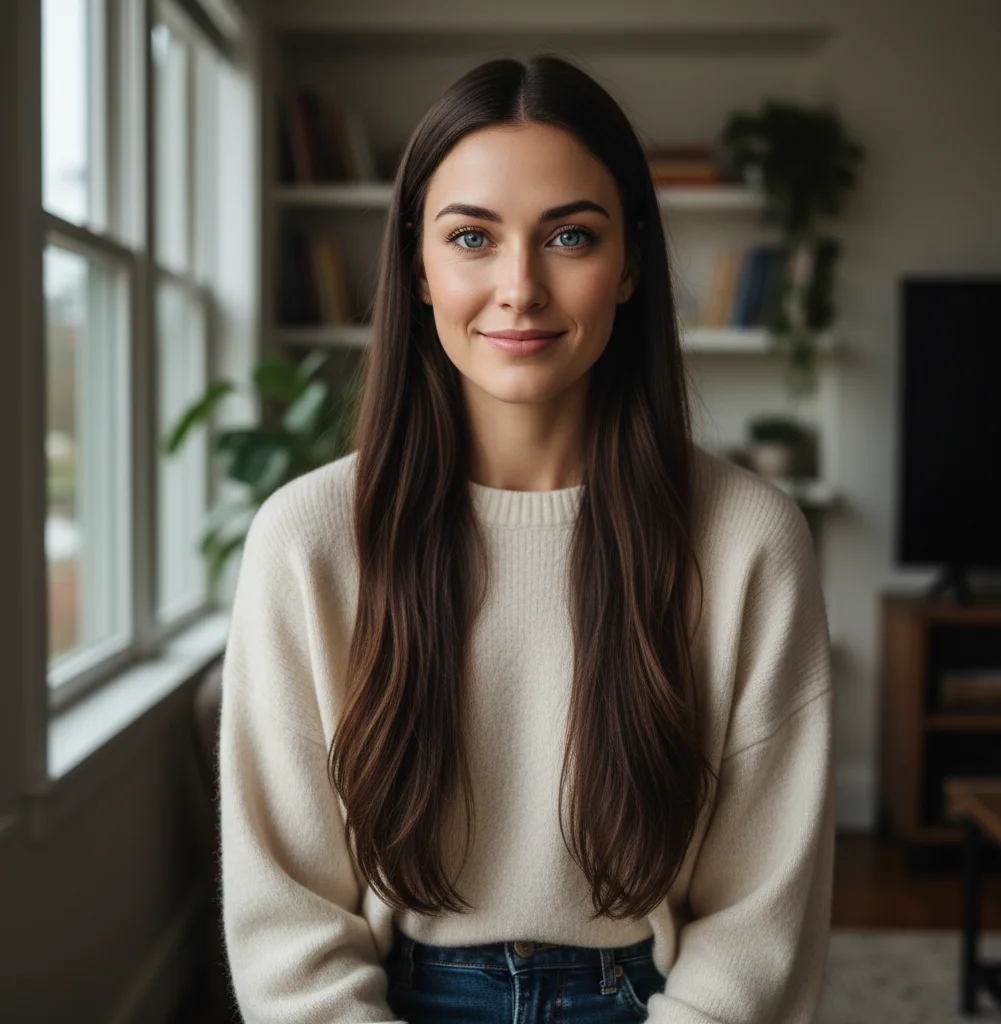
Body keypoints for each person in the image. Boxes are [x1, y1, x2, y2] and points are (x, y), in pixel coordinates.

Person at [219, 54, 835, 1024]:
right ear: (417, 265)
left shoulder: (747, 539)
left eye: (569, 236)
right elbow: (286, 917)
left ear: (629, 262)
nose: (519, 287)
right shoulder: (307, 540)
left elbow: (761, 911)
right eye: (470, 236)